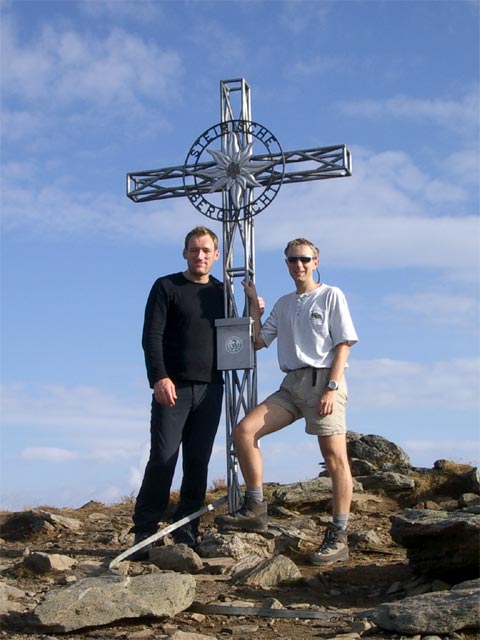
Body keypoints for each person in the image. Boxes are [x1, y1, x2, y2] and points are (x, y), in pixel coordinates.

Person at [215, 237, 358, 566]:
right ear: (287, 264)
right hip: (291, 386)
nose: (299, 265)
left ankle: (339, 536)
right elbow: (259, 341)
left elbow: (344, 344)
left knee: (335, 458)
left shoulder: (331, 295)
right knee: (244, 432)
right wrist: (254, 305)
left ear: (316, 261)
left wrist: (332, 387)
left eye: (305, 259)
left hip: (324, 381)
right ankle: (255, 508)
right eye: (293, 260)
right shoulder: (283, 303)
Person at [131, 226, 224, 556]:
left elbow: (236, 339)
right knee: (163, 457)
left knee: (197, 462)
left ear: (216, 255)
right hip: (173, 387)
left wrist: (254, 307)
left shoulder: (222, 292)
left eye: (206, 250)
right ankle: (144, 530)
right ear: (184, 253)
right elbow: (151, 337)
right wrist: (159, 378)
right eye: (194, 250)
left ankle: (187, 529)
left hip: (212, 389)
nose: (200, 255)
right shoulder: (166, 286)